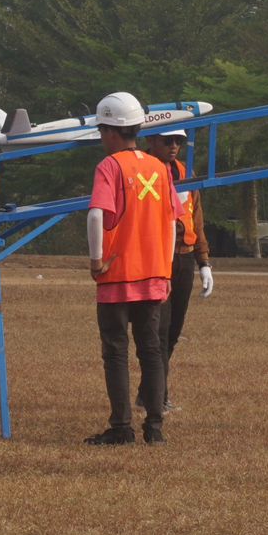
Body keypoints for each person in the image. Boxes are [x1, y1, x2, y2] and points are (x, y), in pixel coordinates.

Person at [85, 92, 182, 447]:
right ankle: (154, 428)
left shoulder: (110, 166)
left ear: (111, 131)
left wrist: (97, 259)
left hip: (117, 274)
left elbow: (96, 214)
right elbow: (173, 221)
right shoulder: (159, 167)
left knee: (116, 350)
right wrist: (167, 269)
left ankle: (121, 427)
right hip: (154, 274)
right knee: (151, 350)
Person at [144, 129, 212, 414]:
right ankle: (158, 396)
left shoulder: (186, 171)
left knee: (172, 332)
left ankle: (150, 390)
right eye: (167, 141)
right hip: (158, 257)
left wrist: (204, 262)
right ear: (151, 141)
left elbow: (196, 217)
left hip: (183, 257)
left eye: (179, 142)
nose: (174, 146)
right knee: (158, 331)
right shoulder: (143, 170)